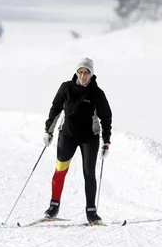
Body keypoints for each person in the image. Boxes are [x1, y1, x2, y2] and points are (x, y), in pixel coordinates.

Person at [42, 57, 112, 224]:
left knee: (89, 172)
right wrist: (48, 130)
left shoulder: (97, 93)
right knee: (60, 170)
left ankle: (91, 212)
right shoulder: (66, 88)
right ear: (76, 73)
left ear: (91, 73)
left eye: (86, 72)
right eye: (80, 72)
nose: (82, 76)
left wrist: (106, 141)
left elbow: (106, 118)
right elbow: (56, 108)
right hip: (67, 135)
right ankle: (53, 206)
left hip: (90, 138)